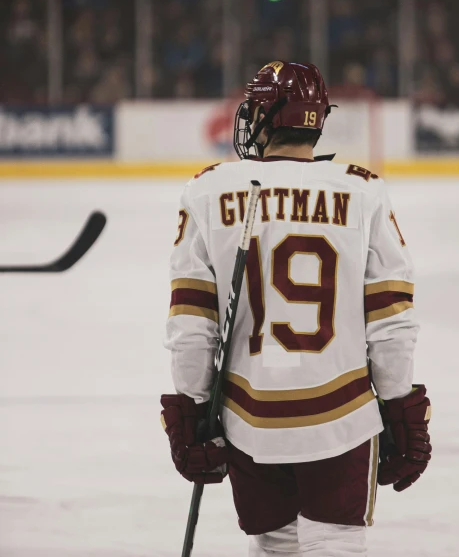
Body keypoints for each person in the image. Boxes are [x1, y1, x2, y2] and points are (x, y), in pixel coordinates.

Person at [161, 61, 432, 556]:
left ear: (264, 115)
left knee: (275, 548)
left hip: (249, 416)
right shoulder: (363, 189)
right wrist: (399, 406)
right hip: (342, 415)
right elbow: (391, 318)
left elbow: (192, 323)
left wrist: (192, 406)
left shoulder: (208, 188)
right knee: (335, 546)